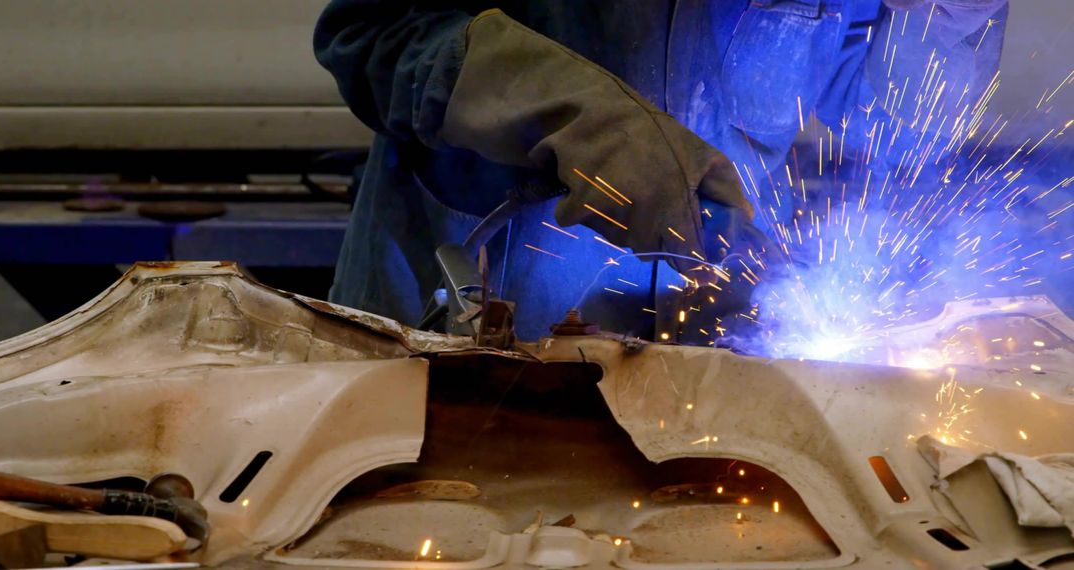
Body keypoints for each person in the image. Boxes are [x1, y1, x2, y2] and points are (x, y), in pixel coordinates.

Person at [314, 0, 1008, 341]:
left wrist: (947, 21)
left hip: (699, 358)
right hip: (458, 342)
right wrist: (575, 114)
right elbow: (373, 35)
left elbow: (895, 134)